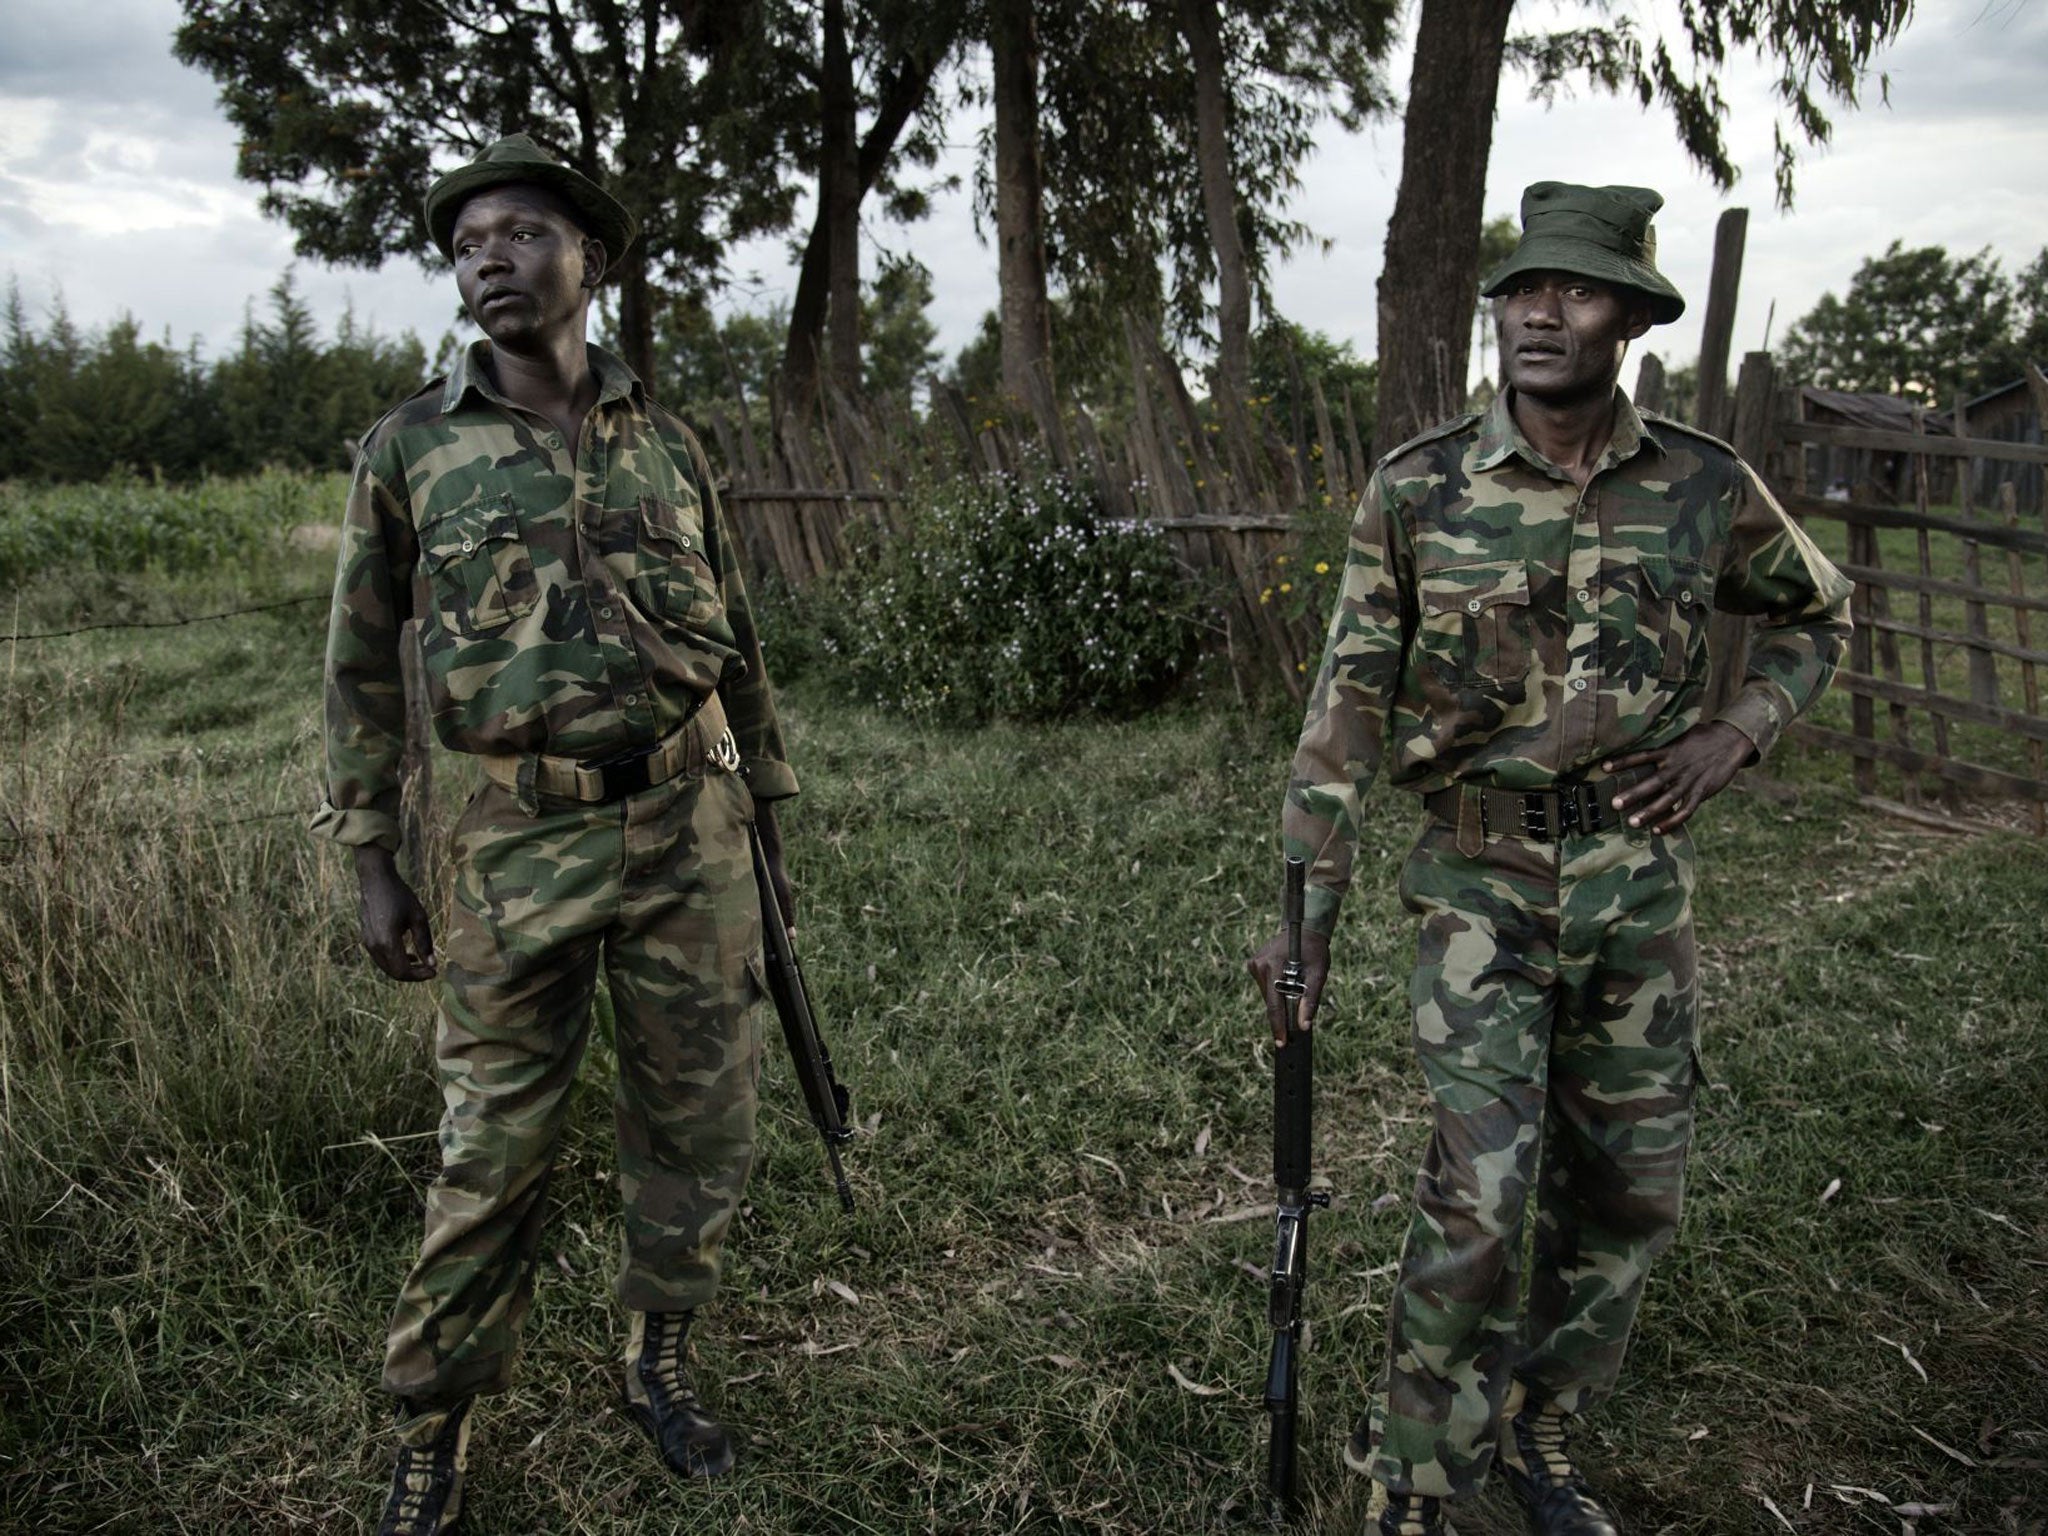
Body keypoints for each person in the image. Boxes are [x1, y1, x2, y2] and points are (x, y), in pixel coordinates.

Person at [1247, 182, 1852, 1536]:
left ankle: (1543, 1429)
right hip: (1477, 886)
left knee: (1629, 1187)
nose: (1539, 312)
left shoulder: (1700, 485)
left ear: (1630, 317)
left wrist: (1737, 735)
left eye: (1575, 291)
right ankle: (1413, 1474)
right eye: (1523, 289)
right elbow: (1342, 715)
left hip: (1638, 888)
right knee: (1482, 1191)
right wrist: (1308, 917)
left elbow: (1822, 614)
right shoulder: (1419, 488)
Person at [309, 133, 800, 1536]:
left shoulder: (669, 440)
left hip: (687, 826)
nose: (488, 258)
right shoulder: (410, 448)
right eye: (467, 243)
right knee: (490, 1150)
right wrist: (369, 853)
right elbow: (355, 663)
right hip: (511, 845)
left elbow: (737, 638)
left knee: (696, 1121)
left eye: (520, 232)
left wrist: (764, 805)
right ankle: (433, 1425)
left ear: (588, 259)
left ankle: (656, 1356)